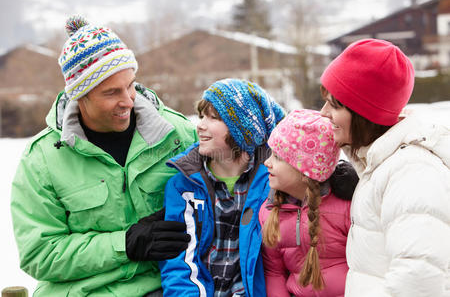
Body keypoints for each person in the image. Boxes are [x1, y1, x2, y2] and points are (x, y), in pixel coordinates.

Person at [10, 16, 197, 296]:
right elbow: (40, 254)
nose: (128, 100)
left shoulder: (178, 134)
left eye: (131, 85)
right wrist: (125, 244)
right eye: (111, 93)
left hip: (169, 286)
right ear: (80, 96)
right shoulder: (42, 159)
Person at [319, 38, 450, 296]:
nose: (323, 113)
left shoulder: (411, 172)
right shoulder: (380, 166)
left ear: (363, 113)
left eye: (334, 105)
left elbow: (419, 280)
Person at [158, 78, 285, 297]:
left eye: (214, 118)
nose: (201, 125)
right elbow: (179, 264)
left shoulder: (271, 182)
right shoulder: (183, 186)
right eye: (202, 116)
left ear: (243, 132)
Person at [259, 109, 358, 297]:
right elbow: (274, 272)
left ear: (306, 171)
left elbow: (367, 265)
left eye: (277, 157)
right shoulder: (269, 213)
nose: (267, 162)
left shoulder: (346, 207)